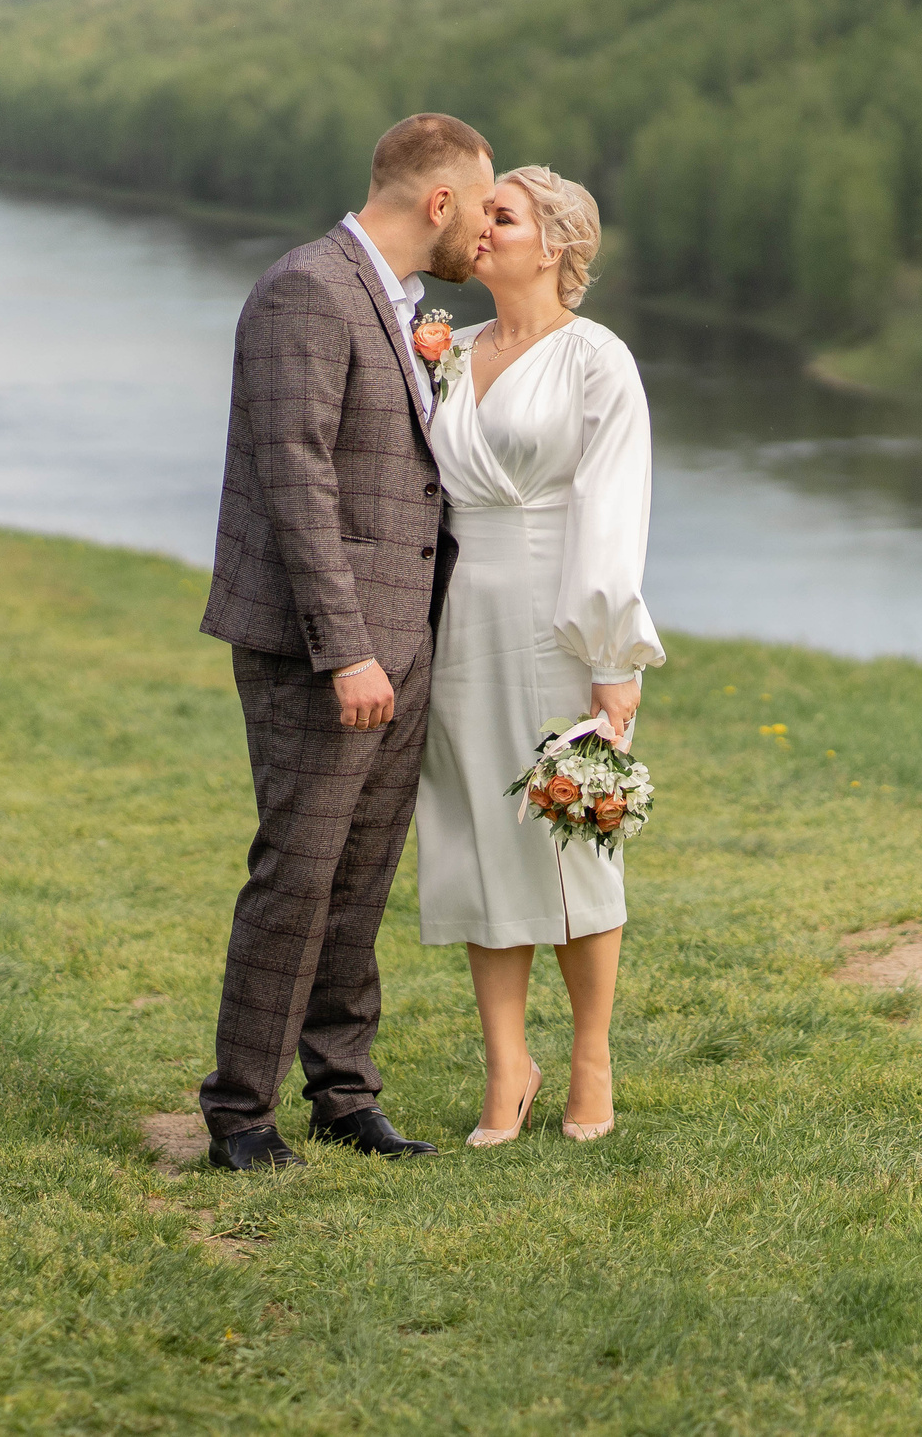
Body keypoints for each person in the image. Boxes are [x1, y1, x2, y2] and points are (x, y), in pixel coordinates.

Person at [196, 112, 495, 1171]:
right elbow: (295, 478)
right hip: (325, 651)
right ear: (438, 200)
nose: (484, 234)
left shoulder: (404, 308)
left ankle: (343, 1095)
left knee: (360, 878)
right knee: (299, 871)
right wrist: (347, 648)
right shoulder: (306, 292)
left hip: (400, 640)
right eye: (482, 205)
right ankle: (239, 1114)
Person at [413, 165, 664, 1146]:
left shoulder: (596, 361)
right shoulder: (443, 350)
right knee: (476, 830)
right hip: (454, 620)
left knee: (569, 832)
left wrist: (611, 658)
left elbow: (612, 506)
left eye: (502, 215)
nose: (480, 228)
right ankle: (506, 1068)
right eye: (480, 213)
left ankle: (591, 1061)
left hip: (555, 617)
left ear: (553, 244)